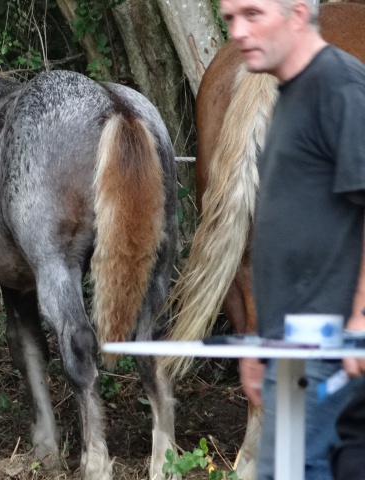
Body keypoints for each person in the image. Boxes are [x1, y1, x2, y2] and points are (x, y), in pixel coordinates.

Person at [219, 0, 365, 478]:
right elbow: (286, 237)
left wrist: (360, 322)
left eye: (252, 14)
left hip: (326, 349)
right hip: (291, 350)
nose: (238, 30)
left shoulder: (340, 88)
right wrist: (261, 347)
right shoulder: (290, 95)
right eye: (230, 19)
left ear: (297, 15)